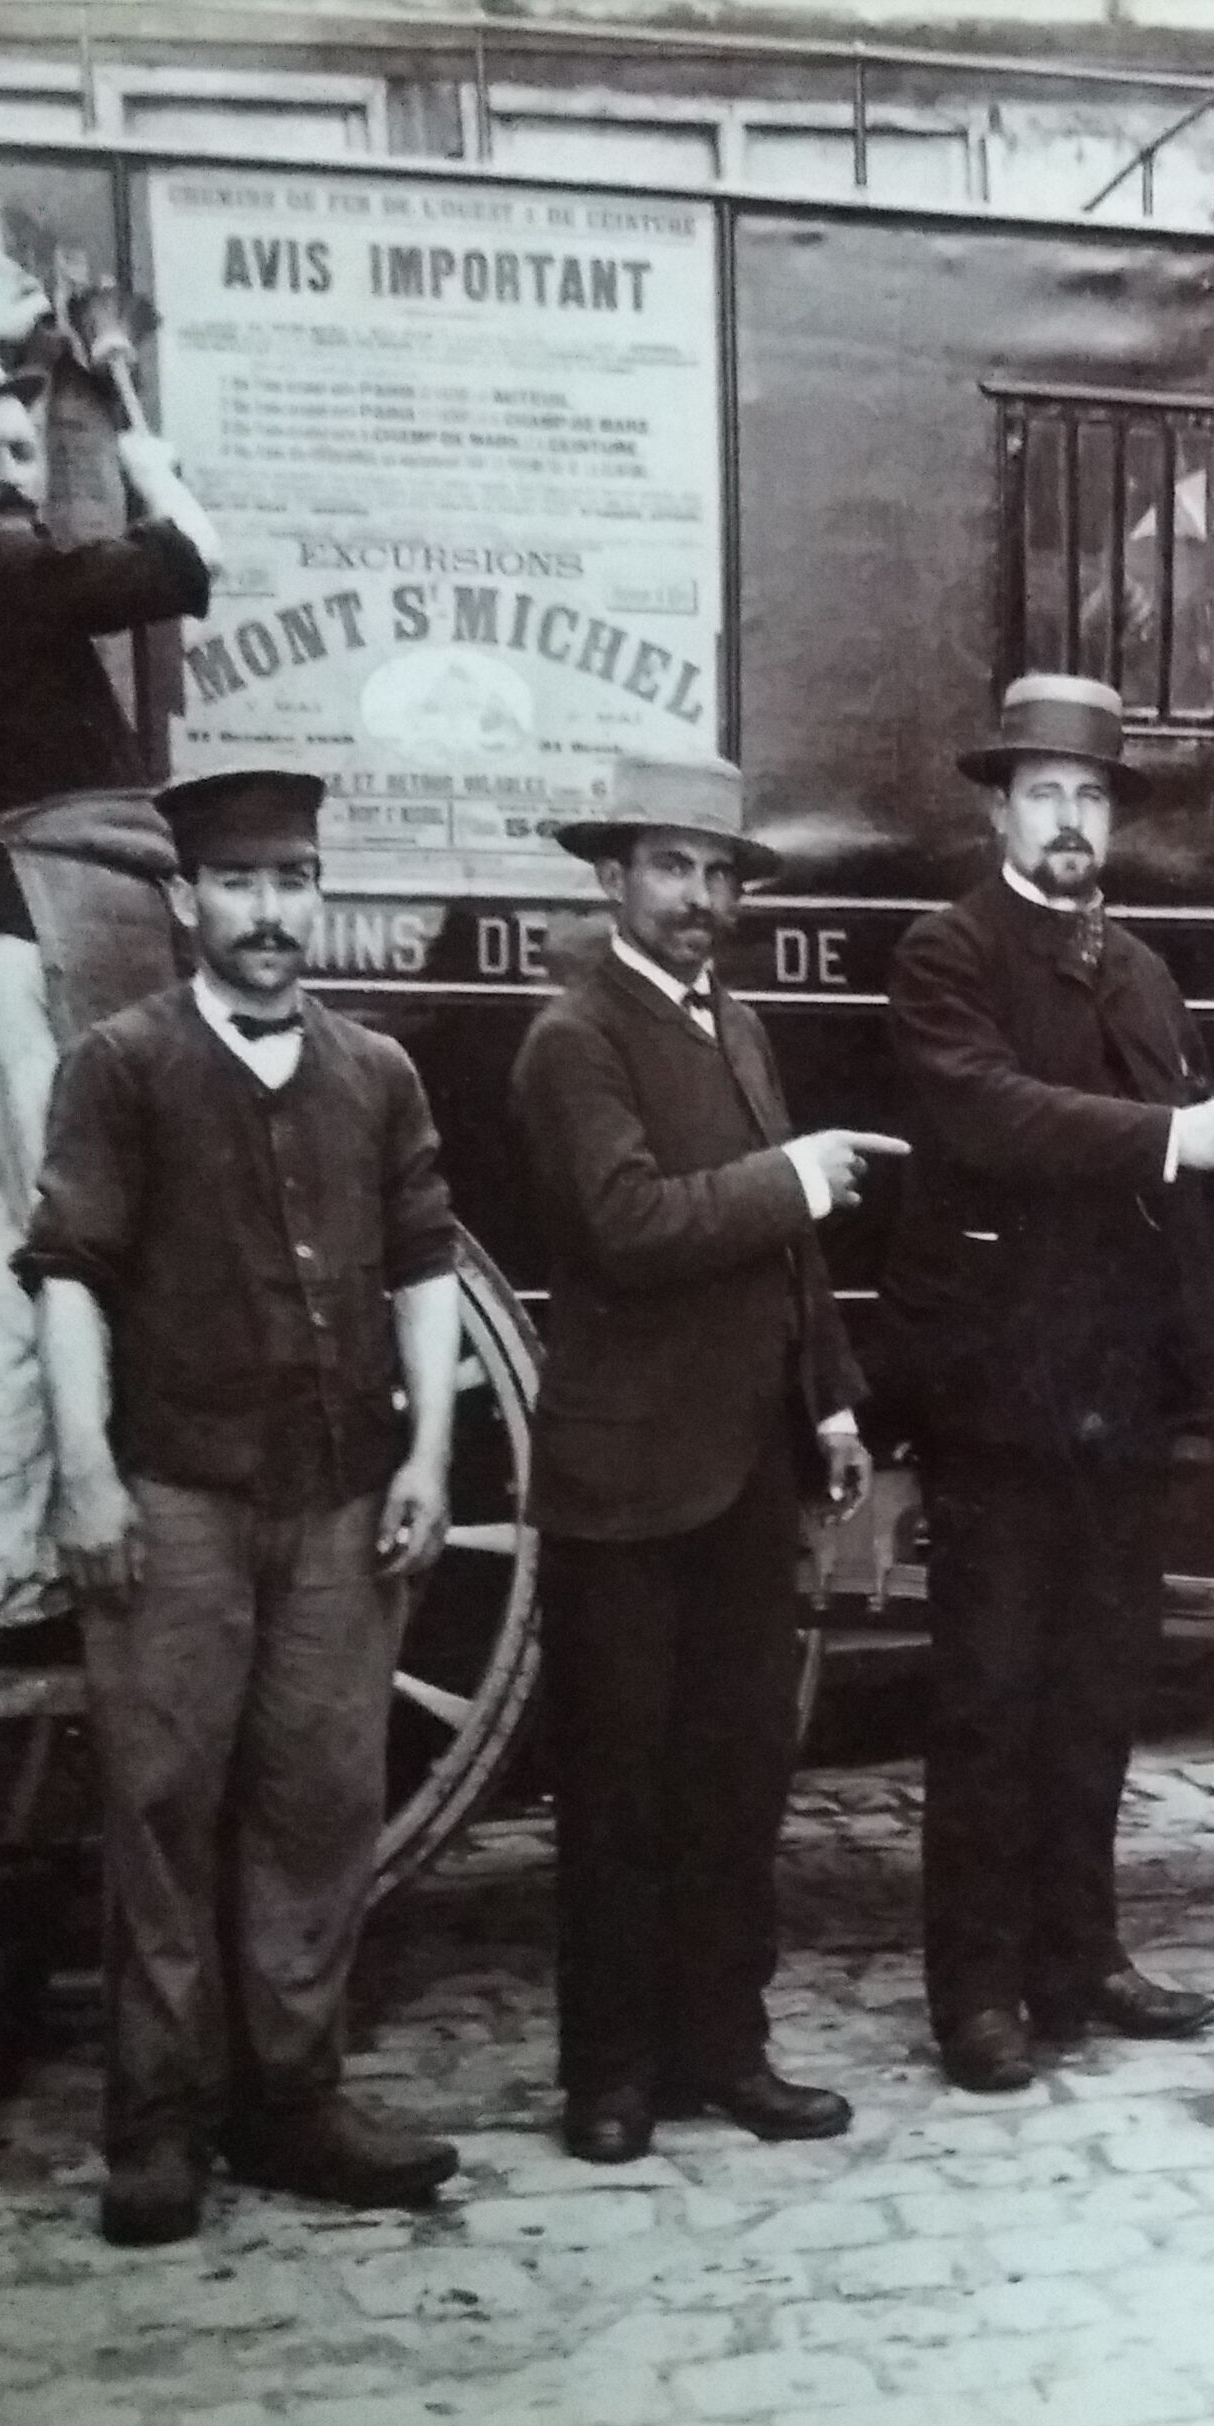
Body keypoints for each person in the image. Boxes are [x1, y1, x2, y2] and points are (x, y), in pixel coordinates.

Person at [17, 765, 466, 2246]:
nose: (268, 915)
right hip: (176, 1499)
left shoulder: (376, 1074)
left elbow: (424, 1273)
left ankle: (292, 2103)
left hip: (340, 1504)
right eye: (239, 887)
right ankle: (155, 2126)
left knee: (321, 1805)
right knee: (161, 1806)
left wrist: (429, 1459)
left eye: (291, 883)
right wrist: (85, 1471)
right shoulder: (122, 1066)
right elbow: (70, 1275)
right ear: (186, 902)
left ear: (316, 894)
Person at [878, 672, 1214, 2093]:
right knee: (992, 1695)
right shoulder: (948, 958)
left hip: (1117, 1396)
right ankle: (979, 1993)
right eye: (1046, 794)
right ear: (1001, 806)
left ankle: (1083, 1956)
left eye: (1092, 800)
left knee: (1099, 1688)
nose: (1070, 823)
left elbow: (1181, 1190)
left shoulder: (1136, 973)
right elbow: (989, 1118)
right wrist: (1180, 1140)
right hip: (998, 1397)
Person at [510, 752, 904, 2166]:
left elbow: (789, 1263)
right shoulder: (574, 1037)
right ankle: (609, 2078)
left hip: (747, 1469)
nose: (700, 897)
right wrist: (795, 1173)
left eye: (720, 872)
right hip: (624, 1482)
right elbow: (627, 1225)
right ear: (612, 878)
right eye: (673, 867)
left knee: (736, 1781)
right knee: (618, 1786)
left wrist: (838, 1406)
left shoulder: (735, 1027)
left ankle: (722, 2052)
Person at [0, 305, 223, 1649]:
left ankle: (7, 1564)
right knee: (48, 1267)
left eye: (26, 449)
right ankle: (24, 1556)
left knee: (16, 1266)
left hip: (5, 950)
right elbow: (193, 561)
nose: (14, 475)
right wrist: (130, 414)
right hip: (26, 954)